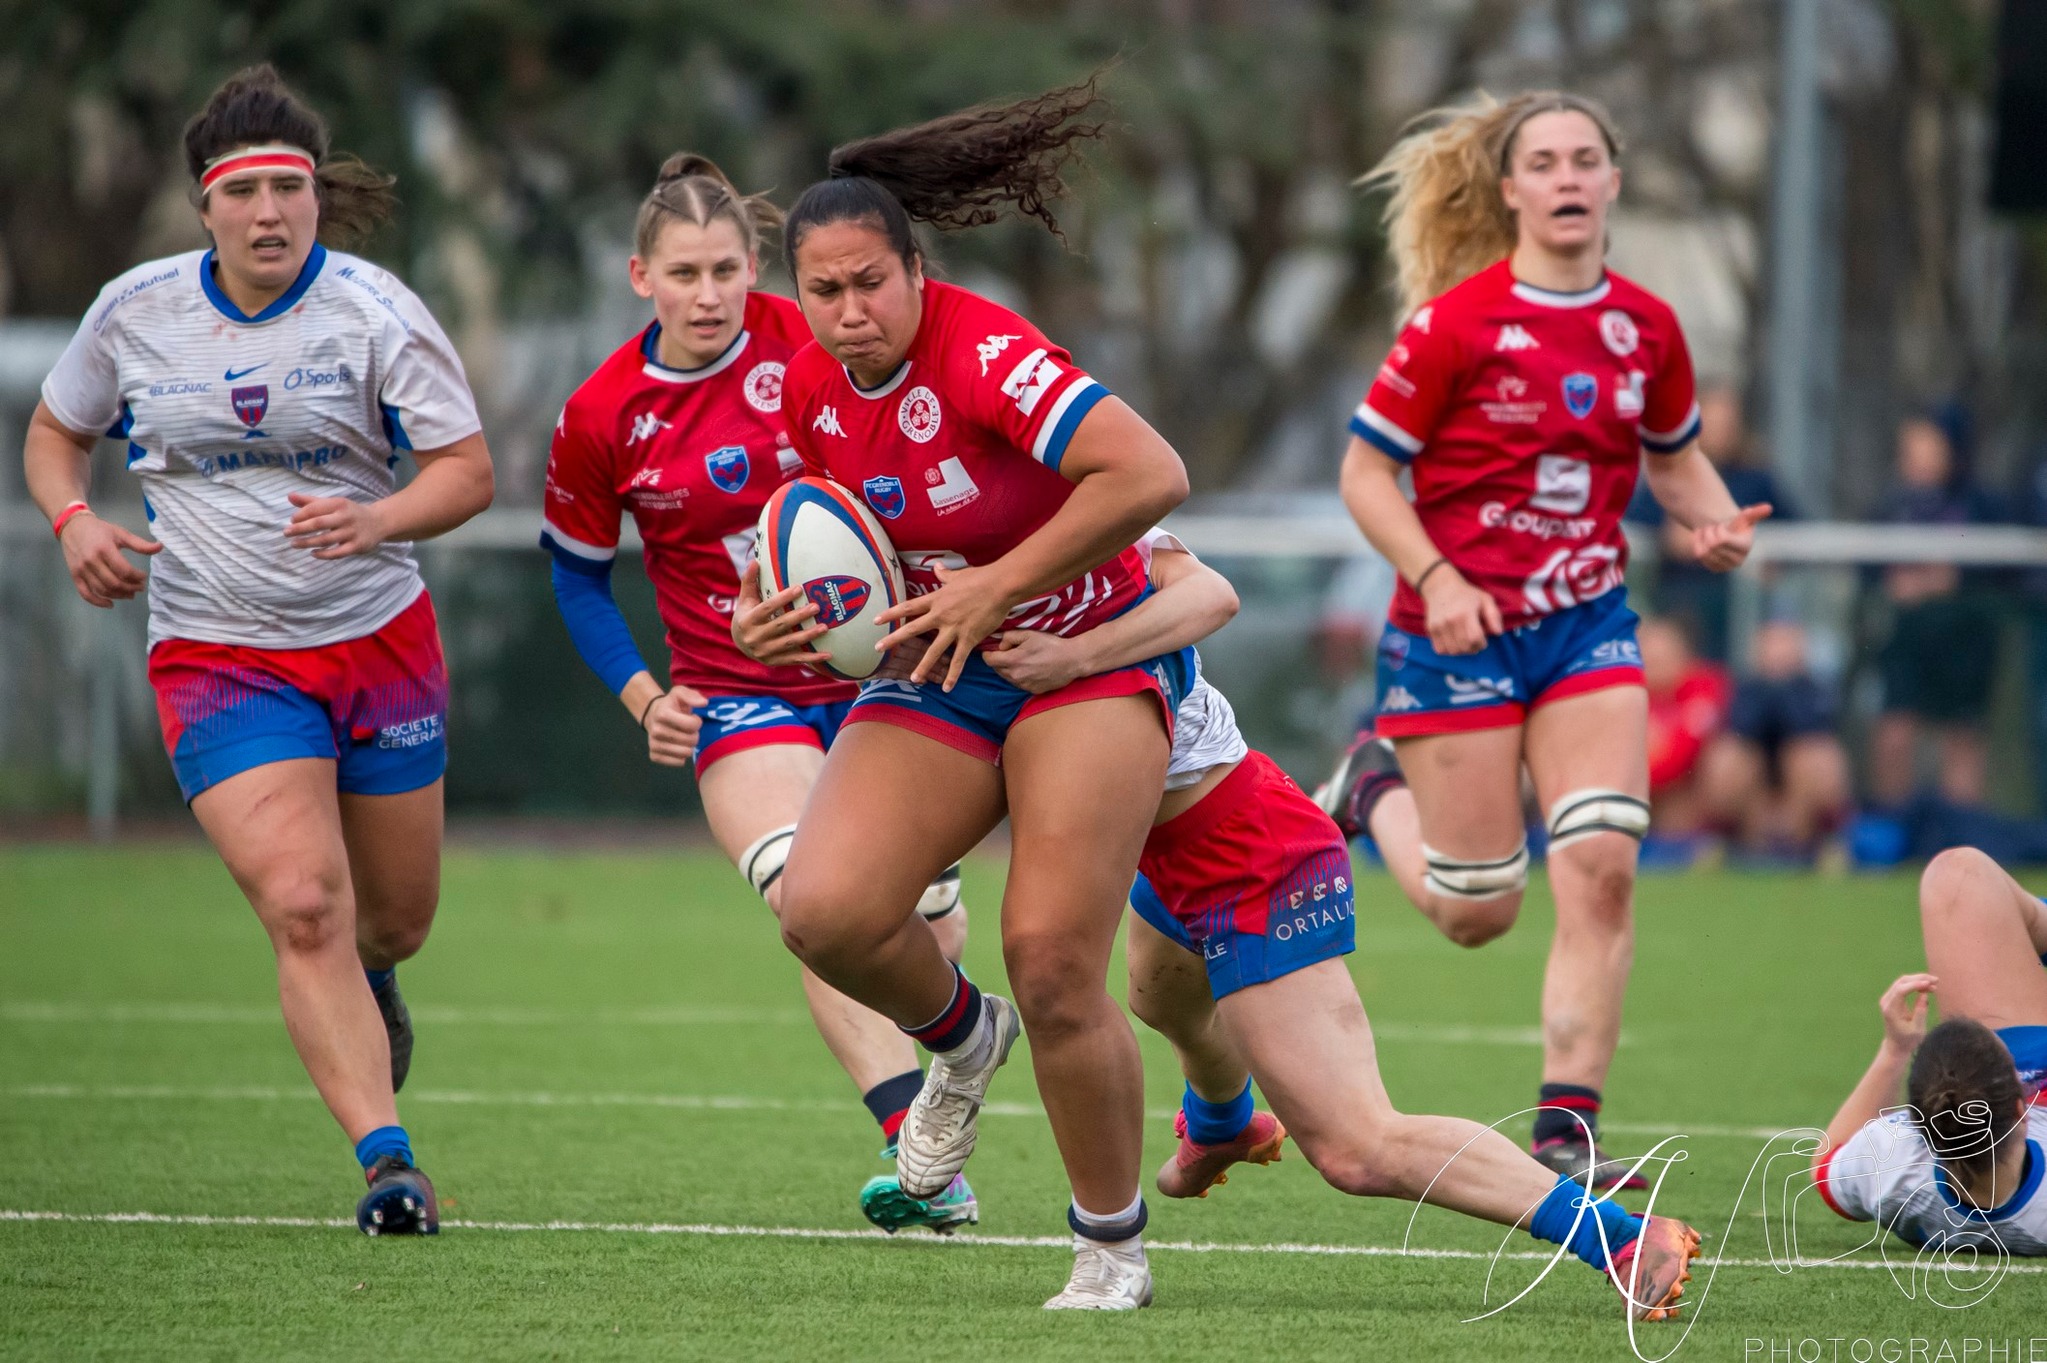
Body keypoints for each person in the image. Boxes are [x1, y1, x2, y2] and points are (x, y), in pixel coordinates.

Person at [734, 77, 1198, 1309]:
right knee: (823, 913)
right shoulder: (806, 387)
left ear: (915, 272)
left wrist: (993, 586)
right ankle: (961, 1037)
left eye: (868, 285)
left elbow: (1149, 473)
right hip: (945, 667)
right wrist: (765, 614)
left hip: (1084, 654)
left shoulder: (985, 351)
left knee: (1049, 957)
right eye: (822, 292)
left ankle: (1109, 1244)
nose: (848, 313)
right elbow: (819, 541)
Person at [996, 529, 1707, 1322]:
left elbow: (1210, 590)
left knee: (1356, 1145)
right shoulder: (963, 544)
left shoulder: (1071, 519)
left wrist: (1075, 655)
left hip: (1250, 857)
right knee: (1156, 997)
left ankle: (1620, 1235)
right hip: (1165, 850)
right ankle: (1224, 1120)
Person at [22, 66, 494, 1235]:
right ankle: (388, 1164)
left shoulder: (377, 311)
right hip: (217, 653)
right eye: (244, 194)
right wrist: (73, 520)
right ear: (205, 206)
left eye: (290, 189)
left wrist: (377, 518)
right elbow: (53, 432)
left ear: (316, 196)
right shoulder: (134, 309)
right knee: (301, 901)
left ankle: (373, 980)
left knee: (393, 921)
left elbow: (467, 472)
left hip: (376, 642)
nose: (269, 213)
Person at [1317, 91, 1765, 1189]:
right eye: (1546, 162)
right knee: (1477, 911)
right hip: (1456, 632)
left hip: (1585, 628)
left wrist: (1711, 520)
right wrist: (1436, 576)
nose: (1568, 177)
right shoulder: (1453, 324)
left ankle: (1567, 1126)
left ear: (1612, 180)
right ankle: (1371, 784)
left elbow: (1673, 459)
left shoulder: (1646, 327)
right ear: (1510, 189)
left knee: (1603, 865)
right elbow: (1364, 474)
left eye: (1584, 159)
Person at [541, 154, 978, 1233]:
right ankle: (916, 1147)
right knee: (812, 902)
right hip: (736, 695)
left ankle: (953, 1054)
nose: (708, 295)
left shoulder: (816, 343)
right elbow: (577, 576)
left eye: (727, 270)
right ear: (640, 276)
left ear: (754, 267)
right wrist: (644, 696)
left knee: (929, 921)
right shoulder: (602, 413)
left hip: (882, 676)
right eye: (684, 273)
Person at [1813, 847, 2047, 1251]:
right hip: (2023, 1062)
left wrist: (1894, 1051)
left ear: (1919, 1126)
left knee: (1957, 875)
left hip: (2003, 1084)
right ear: (2018, 1110)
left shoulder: (1900, 1169)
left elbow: (1828, 1162)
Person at [1867, 410, 2007, 812]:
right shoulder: (1892, 504)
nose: (1917, 456)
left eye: (1928, 445)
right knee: (1894, 734)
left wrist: (1948, 579)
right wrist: (1894, 582)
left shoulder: (1979, 503)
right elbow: (1868, 565)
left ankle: (1960, 833)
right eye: (1910, 447)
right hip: (1906, 636)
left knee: (1962, 739)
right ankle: (1894, 830)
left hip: (1965, 636)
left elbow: (2000, 567)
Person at [1624, 384, 1796, 660]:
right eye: (1711, 423)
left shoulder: (1755, 478)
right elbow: (1637, 519)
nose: (1719, 432)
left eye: (1726, 424)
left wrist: (1762, 550)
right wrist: (1666, 533)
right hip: (1680, 600)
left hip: (1739, 600)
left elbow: (1793, 528)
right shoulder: (1670, 473)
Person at [1696, 619, 1850, 859]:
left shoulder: (1816, 690)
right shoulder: (1743, 689)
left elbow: (1809, 727)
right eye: (1772, 643)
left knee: (1812, 755)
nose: (1779, 652)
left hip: (1798, 790)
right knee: (1727, 755)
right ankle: (1727, 843)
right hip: (1754, 787)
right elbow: (1743, 727)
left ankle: (1818, 845)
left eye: (1786, 643)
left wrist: (1783, 691)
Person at [1637, 615, 1731, 844]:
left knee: (1725, 762)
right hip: (1643, 794)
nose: (1656, 666)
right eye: (1649, 658)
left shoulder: (1704, 686)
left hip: (1684, 792)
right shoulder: (1627, 695)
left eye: (1664, 657)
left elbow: (1684, 751)